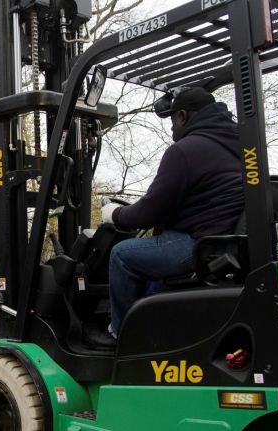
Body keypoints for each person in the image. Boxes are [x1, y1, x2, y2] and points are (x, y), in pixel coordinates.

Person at [97, 87, 244, 345]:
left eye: (173, 120)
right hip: (224, 244)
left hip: (198, 244)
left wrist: (115, 214)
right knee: (152, 269)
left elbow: (149, 211)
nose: (171, 128)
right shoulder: (239, 144)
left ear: (184, 116)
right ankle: (151, 332)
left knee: (122, 254)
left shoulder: (185, 150)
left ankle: (123, 334)